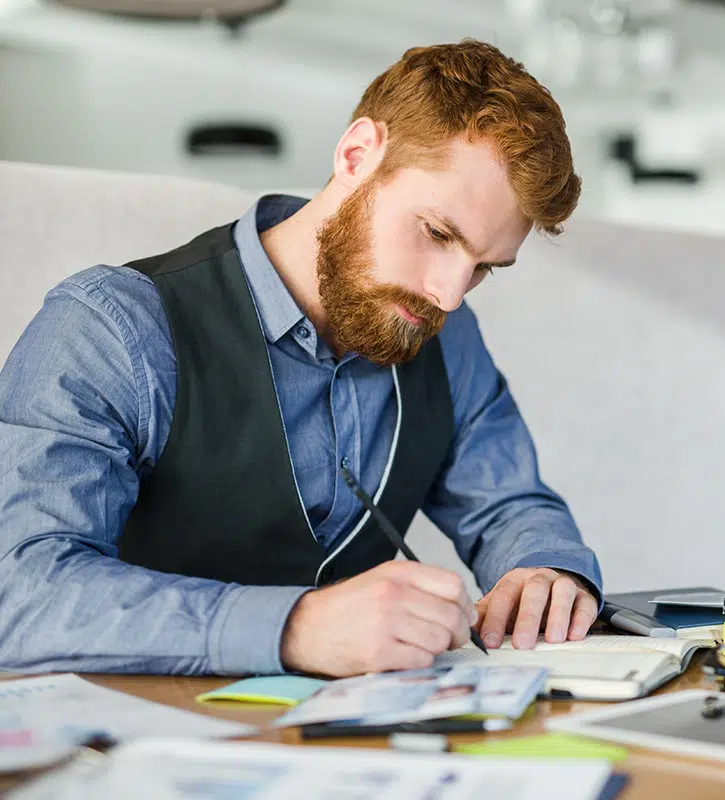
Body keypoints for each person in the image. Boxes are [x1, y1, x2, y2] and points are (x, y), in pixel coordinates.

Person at [0, 40, 602, 678]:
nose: (449, 295)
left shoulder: (446, 336)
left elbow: (509, 506)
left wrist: (546, 570)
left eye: (484, 267)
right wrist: (295, 628)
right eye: (436, 233)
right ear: (356, 155)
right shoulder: (110, 326)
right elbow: (18, 591)